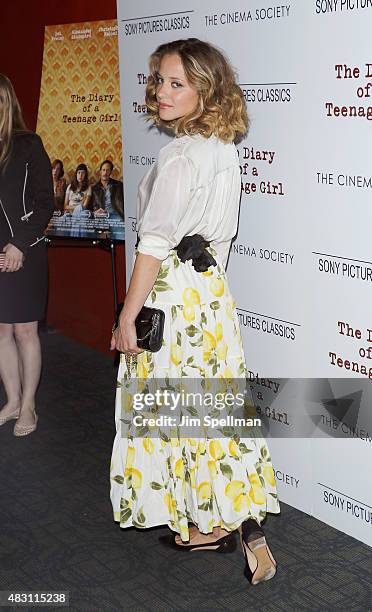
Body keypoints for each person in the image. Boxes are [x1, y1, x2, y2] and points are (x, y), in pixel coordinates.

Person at [110, 39, 280, 584]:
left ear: (205, 89)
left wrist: (125, 317)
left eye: (176, 83)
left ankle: (213, 521)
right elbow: (221, 241)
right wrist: (210, 298)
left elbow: (153, 245)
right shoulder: (222, 149)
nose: (161, 91)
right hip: (210, 299)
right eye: (159, 79)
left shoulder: (180, 156)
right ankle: (223, 523)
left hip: (172, 298)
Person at [0, 74, 54, 436]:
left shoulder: (28, 144)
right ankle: (13, 400)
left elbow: (45, 202)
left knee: (23, 331)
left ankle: (29, 405)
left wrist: (19, 244)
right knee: (1, 330)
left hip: (25, 250)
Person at [91, 160, 124, 239]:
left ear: (111, 172)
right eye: (103, 170)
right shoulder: (94, 188)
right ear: (100, 171)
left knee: (121, 235)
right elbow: (89, 207)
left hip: (115, 215)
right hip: (100, 216)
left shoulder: (119, 185)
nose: (105, 173)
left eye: (107, 170)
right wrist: (95, 212)